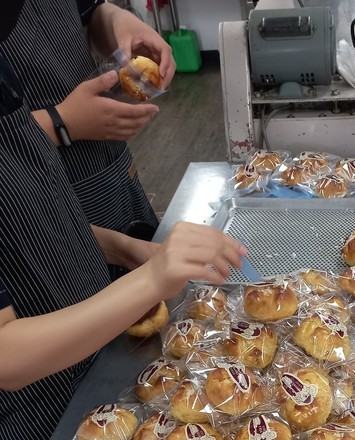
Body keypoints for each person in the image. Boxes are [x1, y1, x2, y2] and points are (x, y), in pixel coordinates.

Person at [0, 52, 247, 439]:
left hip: (101, 348)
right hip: (43, 408)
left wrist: (127, 250)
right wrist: (150, 280)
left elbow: (31, 223)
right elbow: (6, 357)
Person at [0, 0, 176, 252]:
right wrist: (62, 122)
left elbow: (88, 13)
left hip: (109, 161)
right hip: (39, 190)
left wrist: (117, 21)